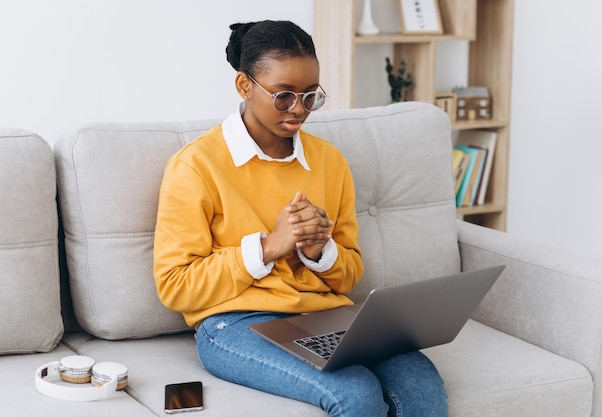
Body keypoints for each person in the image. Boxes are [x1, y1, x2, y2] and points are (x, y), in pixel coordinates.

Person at [153, 20, 448, 417]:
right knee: (355, 394)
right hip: (235, 323)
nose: (299, 110)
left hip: (325, 315)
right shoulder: (195, 166)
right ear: (244, 86)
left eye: (311, 96)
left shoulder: (329, 161)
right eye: (284, 96)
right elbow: (175, 287)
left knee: (421, 386)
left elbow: (348, 274)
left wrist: (319, 250)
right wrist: (268, 247)